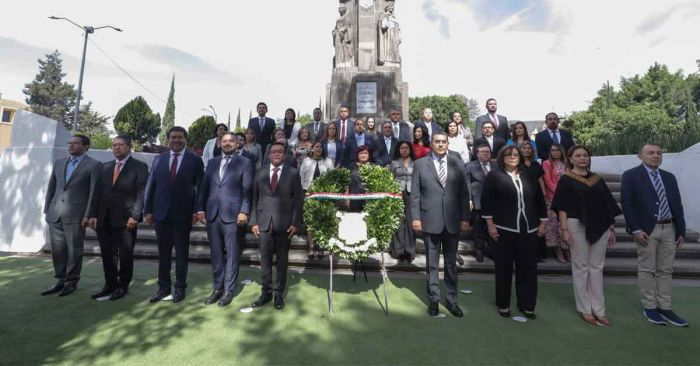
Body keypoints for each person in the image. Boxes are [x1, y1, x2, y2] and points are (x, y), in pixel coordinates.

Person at [551, 145, 621, 327]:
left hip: (601, 225)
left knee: (597, 267)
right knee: (581, 267)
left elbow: (607, 205)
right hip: (576, 225)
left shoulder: (597, 180)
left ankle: (599, 310)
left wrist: (612, 228)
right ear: (571, 159)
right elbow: (562, 207)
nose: (583, 158)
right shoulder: (566, 179)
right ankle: (585, 309)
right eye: (578, 155)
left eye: (585, 155)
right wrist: (564, 230)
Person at [621, 143, 688, 327]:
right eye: (651, 152)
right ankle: (650, 307)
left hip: (670, 229)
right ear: (640, 156)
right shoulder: (631, 176)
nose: (656, 156)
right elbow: (627, 204)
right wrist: (635, 229)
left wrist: (681, 230)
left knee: (666, 270)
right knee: (647, 269)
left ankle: (665, 307)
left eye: (659, 153)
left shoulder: (669, 177)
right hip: (646, 230)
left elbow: (677, 204)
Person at [481, 145, 547, 319]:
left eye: (516, 154)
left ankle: (527, 305)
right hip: (503, 229)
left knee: (528, 268)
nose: (512, 157)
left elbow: (539, 199)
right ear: (502, 157)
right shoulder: (494, 176)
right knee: (503, 268)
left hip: (530, 229)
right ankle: (503, 304)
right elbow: (486, 201)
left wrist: (543, 221)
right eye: (509, 154)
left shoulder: (529, 175)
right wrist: (490, 224)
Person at [411, 132, 470, 317]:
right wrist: (416, 218)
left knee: (451, 264)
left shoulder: (457, 162)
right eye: (437, 141)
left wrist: (465, 218)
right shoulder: (420, 164)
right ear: (431, 143)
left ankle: (452, 301)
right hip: (429, 220)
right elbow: (415, 194)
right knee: (432, 264)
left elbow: (464, 193)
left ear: (447, 143)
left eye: (443, 142)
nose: (440, 144)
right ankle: (434, 300)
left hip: (453, 221)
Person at [144, 126, 204, 303]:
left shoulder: (195, 160)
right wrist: (147, 210)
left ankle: (180, 288)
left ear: (185, 139)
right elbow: (150, 185)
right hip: (161, 214)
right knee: (163, 254)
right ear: (168, 139)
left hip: (183, 215)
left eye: (179, 137)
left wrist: (196, 210)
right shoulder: (159, 159)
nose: (176, 140)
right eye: (173, 137)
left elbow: (200, 188)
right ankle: (163, 288)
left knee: (181, 253)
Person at [196, 132, 253, 307]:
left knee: (232, 254)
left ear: (237, 144)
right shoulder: (212, 163)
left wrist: (244, 211)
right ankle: (217, 288)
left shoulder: (245, 163)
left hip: (233, 216)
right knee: (216, 254)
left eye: (231, 141)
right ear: (220, 144)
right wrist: (200, 208)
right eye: (224, 141)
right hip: (213, 215)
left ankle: (229, 290)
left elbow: (247, 190)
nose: (227, 144)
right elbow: (204, 188)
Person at [89, 135, 148, 301]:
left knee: (125, 254)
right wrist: (93, 214)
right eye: (114, 145)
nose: (116, 148)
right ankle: (110, 285)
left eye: (120, 145)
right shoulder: (104, 167)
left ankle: (123, 286)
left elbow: (141, 193)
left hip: (126, 220)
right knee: (107, 254)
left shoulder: (139, 166)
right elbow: (97, 193)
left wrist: (135, 216)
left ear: (129, 147)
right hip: (104, 218)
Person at [41, 135, 101, 297]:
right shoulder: (59, 163)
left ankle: (71, 282)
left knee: (75, 250)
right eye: (70, 143)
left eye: (75, 143)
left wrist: (88, 214)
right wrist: (47, 210)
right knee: (58, 250)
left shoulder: (94, 165)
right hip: (55, 214)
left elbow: (94, 193)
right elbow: (52, 187)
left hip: (77, 216)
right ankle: (60, 280)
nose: (71, 145)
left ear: (86, 146)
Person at [250, 142, 304, 310]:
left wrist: (295, 223)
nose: (277, 154)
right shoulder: (259, 172)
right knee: (265, 260)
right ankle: (266, 292)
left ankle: (278, 294)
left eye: (280, 151)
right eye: (274, 151)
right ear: (269, 154)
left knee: (282, 260)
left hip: (285, 224)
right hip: (264, 222)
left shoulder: (293, 173)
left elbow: (299, 201)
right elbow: (254, 198)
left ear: (285, 154)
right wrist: (253, 222)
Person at [300, 142, 335, 259]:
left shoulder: (328, 161)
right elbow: (301, 178)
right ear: (312, 149)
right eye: (316, 147)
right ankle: (311, 246)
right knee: (311, 221)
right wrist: (304, 193)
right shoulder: (306, 161)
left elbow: (332, 177)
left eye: (320, 147)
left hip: (324, 195)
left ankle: (320, 245)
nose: (318, 149)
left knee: (322, 221)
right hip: (309, 194)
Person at [464, 143, 497, 263]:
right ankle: (479, 252)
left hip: (494, 203)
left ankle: (492, 251)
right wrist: (469, 199)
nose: (485, 154)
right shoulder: (469, 166)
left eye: (488, 152)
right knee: (478, 229)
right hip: (477, 202)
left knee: (493, 228)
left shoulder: (496, 165)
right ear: (477, 153)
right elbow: (466, 183)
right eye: (483, 152)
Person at [543, 143, 569, 263]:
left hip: (567, 198)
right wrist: (559, 192)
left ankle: (567, 250)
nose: (555, 152)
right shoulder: (547, 163)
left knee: (565, 225)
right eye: (553, 150)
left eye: (557, 150)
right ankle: (558, 252)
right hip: (552, 198)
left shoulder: (567, 163)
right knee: (553, 226)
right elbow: (547, 181)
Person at [390, 141, 416, 262]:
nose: (404, 150)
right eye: (402, 148)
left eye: (406, 148)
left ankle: (409, 251)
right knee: (398, 222)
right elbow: (390, 179)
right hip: (397, 194)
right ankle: (398, 251)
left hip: (412, 194)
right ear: (399, 150)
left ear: (410, 149)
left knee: (411, 223)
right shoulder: (394, 163)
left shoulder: (416, 163)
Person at [347, 145, 373, 212]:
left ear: (369, 155)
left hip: (370, 199)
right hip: (354, 198)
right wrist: (347, 198)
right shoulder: (351, 166)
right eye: (361, 153)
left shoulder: (374, 167)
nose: (363, 155)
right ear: (357, 155)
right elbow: (347, 183)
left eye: (365, 153)